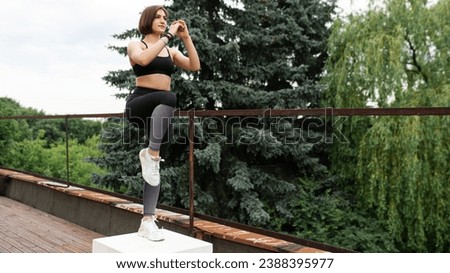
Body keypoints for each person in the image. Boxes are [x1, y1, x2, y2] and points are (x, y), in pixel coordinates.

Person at [125, 5, 200, 241]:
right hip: (139, 104)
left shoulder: (171, 51)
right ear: (148, 20)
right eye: (158, 17)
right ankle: (151, 153)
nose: (163, 20)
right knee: (169, 96)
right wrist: (168, 36)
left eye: (165, 18)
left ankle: (147, 220)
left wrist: (185, 38)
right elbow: (143, 59)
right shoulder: (137, 45)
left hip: (161, 113)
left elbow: (194, 66)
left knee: (155, 167)